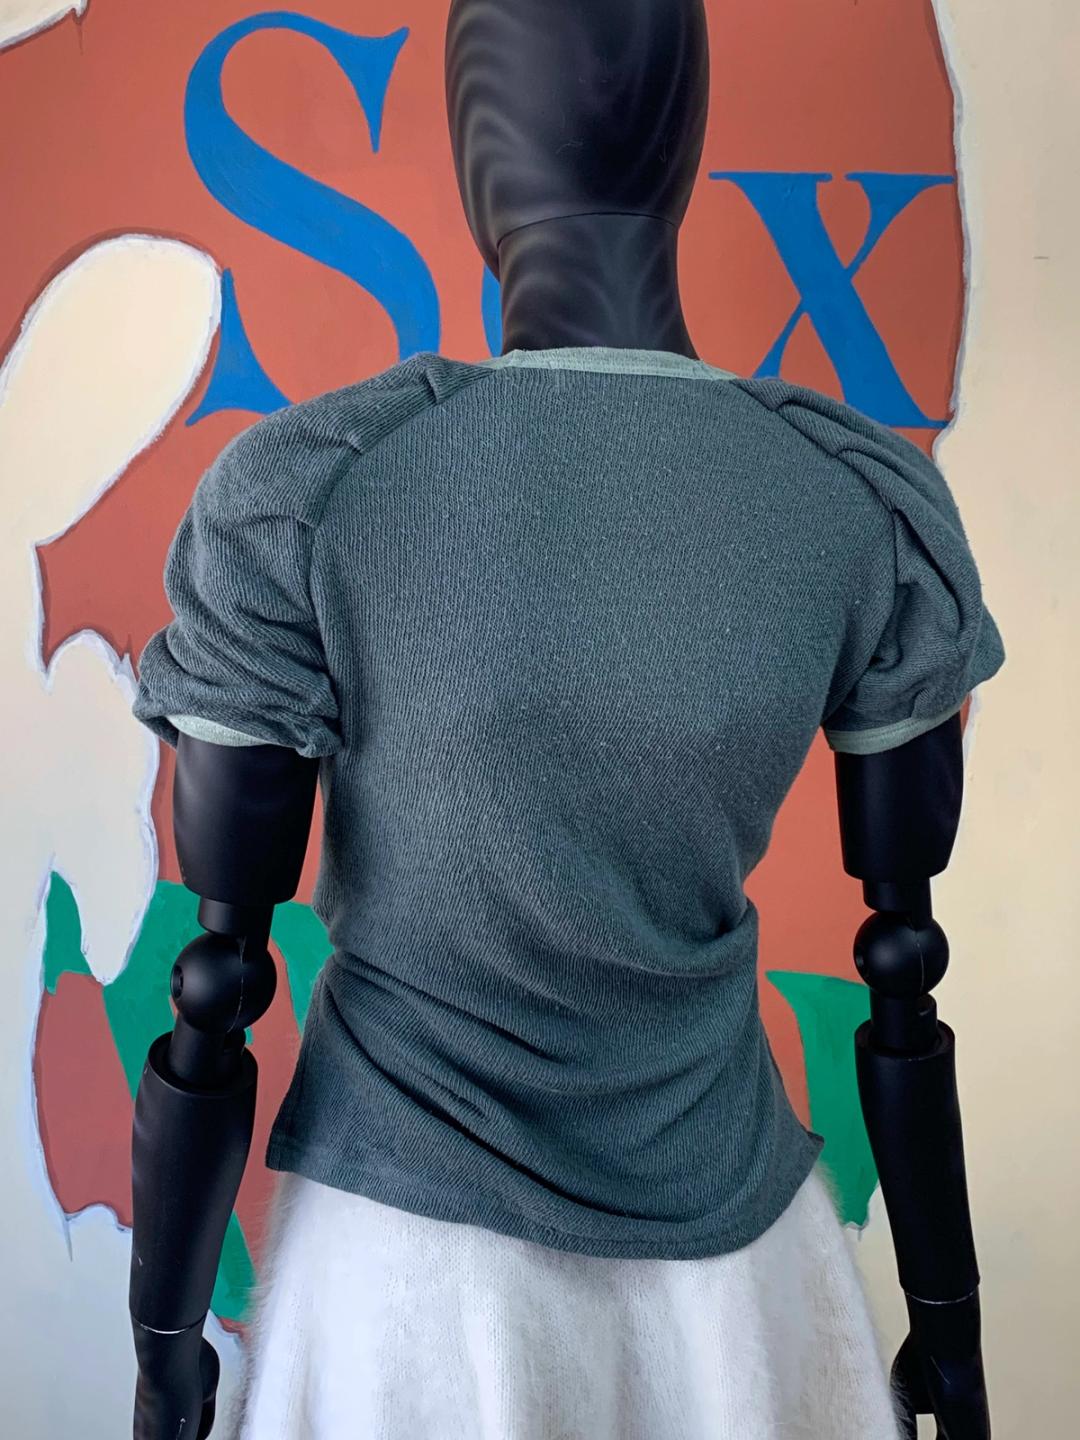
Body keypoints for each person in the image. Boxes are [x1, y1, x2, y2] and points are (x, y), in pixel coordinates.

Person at [130, 2, 1005, 1435]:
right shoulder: (858, 502)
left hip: (407, 1290)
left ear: (476, 150)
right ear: (686, 144)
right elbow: (904, 967)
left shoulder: (309, 491)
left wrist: (166, 1349)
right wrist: (950, 1333)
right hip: (738, 1284)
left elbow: (216, 982)